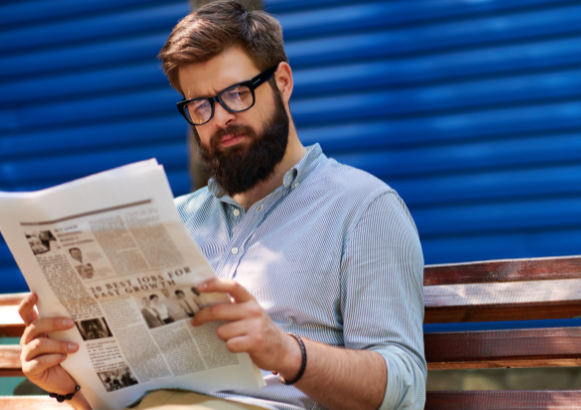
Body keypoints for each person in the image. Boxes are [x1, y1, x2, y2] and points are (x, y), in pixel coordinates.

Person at [16, 2, 425, 410]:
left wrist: (285, 352)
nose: (220, 118)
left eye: (236, 93)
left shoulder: (364, 208)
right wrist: (71, 388)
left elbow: (405, 388)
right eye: (201, 105)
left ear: (282, 81)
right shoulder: (174, 217)